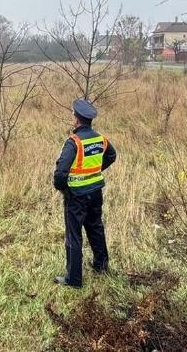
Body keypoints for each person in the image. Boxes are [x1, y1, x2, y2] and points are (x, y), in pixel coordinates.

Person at [52, 98, 117, 288]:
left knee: (74, 235)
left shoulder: (73, 142)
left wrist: (63, 188)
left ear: (77, 119)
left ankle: (74, 279)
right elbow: (112, 156)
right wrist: (95, 171)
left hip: (77, 196)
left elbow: (60, 173)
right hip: (96, 192)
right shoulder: (101, 139)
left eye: (73, 114)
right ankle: (101, 266)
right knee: (96, 227)